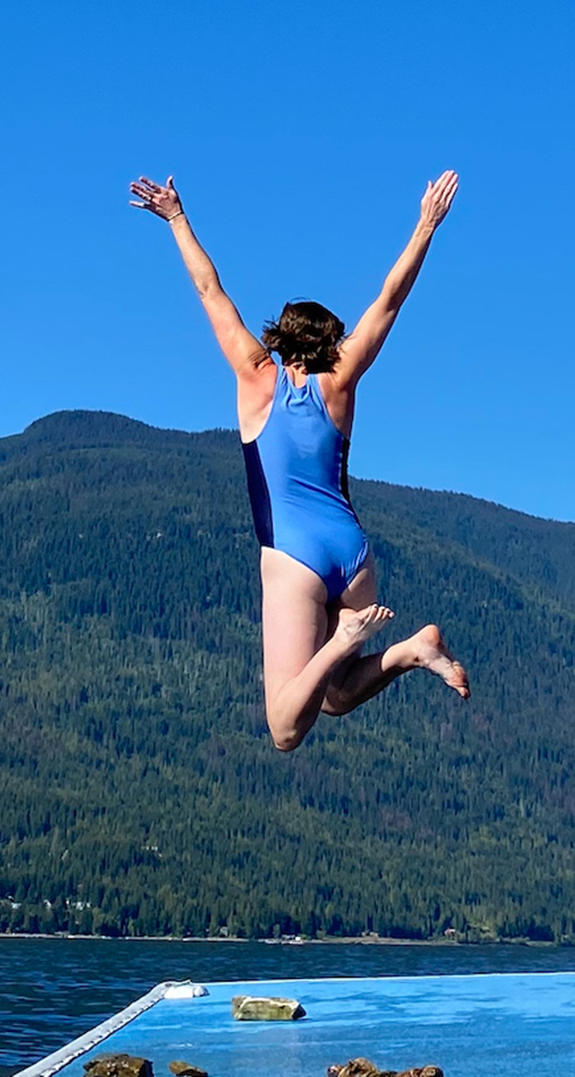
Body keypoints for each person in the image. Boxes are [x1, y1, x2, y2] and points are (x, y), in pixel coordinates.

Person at [129, 171, 472, 750]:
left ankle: (343, 642)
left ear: (279, 340)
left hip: (295, 556)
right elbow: (389, 298)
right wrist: (425, 226)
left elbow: (211, 292)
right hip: (353, 552)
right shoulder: (341, 380)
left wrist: (176, 218)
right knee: (335, 697)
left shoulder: (254, 375)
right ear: (329, 343)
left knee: (286, 729)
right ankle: (413, 649)